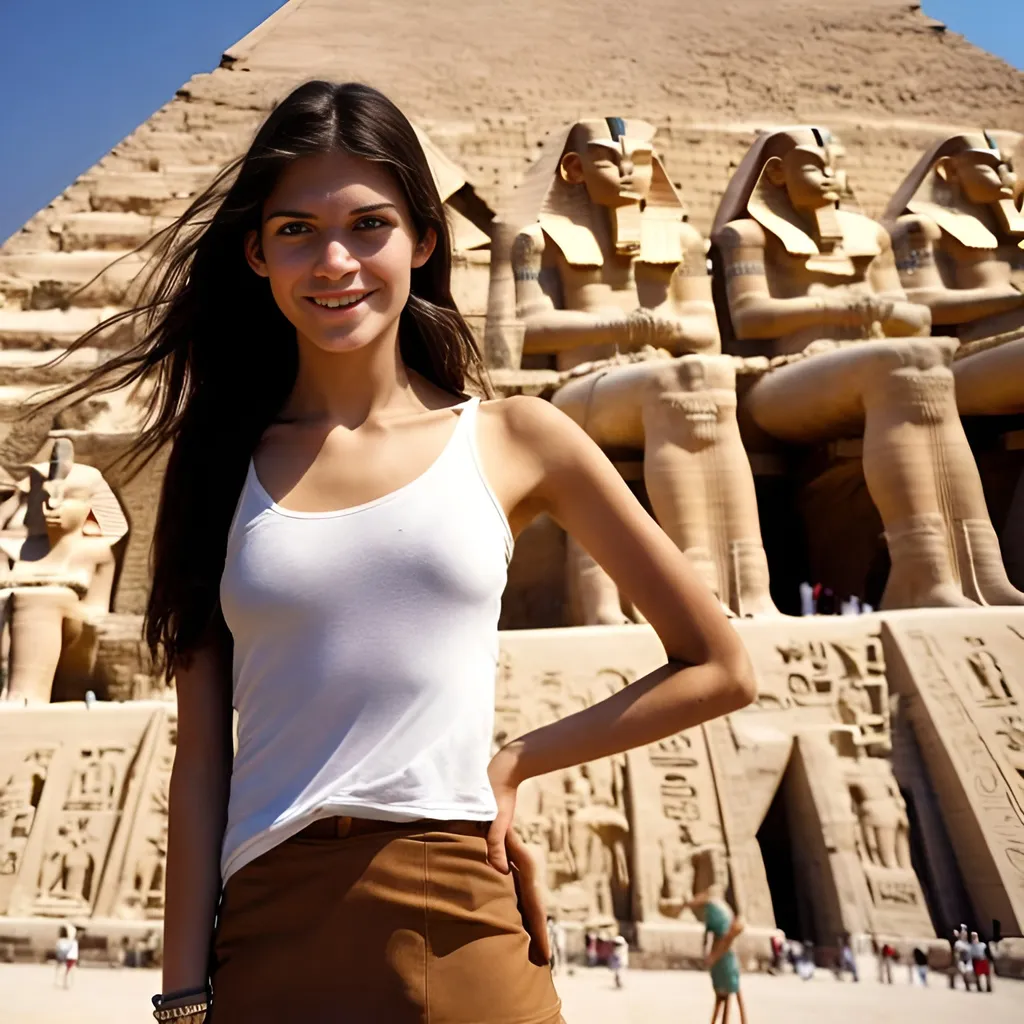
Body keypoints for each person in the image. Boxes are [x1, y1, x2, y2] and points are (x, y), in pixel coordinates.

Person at [53, 82, 754, 1024]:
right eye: (297, 229)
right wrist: (181, 998)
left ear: (424, 241)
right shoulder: (216, 463)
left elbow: (721, 666)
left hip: (460, 911)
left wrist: (511, 763)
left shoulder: (519, 440)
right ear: (256, 253)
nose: (335, 261)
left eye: (369, 225)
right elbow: (201, 756)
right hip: (269, 923)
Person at [687, 888, 747, 1024]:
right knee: (728, 993)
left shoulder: (715, 910)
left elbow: (723, 939)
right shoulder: (719, 909)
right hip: (723, 954)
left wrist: (712, 956)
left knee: (727, 992)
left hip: (723, 955)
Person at [54, 924, 78, 989]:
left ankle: (61, 982)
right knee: (68, 970)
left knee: (61, 970)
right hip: (71, 957)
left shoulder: (60, 941)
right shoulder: (72, 941)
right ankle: (66, 983)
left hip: (63, 956)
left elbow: (58, 949)